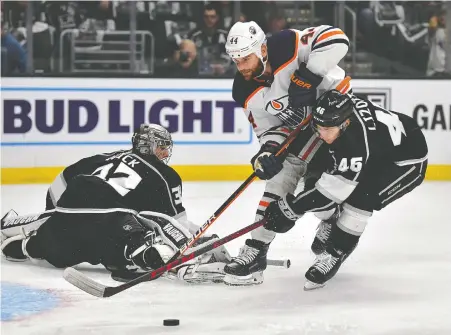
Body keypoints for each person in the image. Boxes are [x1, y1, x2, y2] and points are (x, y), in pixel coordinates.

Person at [1, 124, 230, 282]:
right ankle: (137, 257)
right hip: (108, 225)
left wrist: (56, 215)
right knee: (141, 241)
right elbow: (170, 222)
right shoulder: (165, 175)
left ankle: (18, 240)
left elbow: (59, 184)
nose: (165, 152)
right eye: (161, 146)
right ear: (148, 146)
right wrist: (201, 244)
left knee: (50, 248)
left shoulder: (102, 157)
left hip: (65, 217)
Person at [221, 21, 352, 286]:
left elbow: (337, 38)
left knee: (314, 181)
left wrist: (310, 76)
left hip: (340, 117)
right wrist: (268, 152)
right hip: (304, 129)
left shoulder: (286, 44)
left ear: (262, 50)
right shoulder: (244, 90)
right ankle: (258, 249)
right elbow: (268, 129)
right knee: (282, 172)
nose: (242, 67)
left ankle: (262, 246)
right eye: (236, 61)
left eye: (246, 58)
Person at [262, 90, 428, 290]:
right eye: (318, 126)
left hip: (404, 160)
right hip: (378, 147)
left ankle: (336, 252)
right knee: (315, 175)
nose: (320, 134)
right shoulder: (335, 116)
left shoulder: (355, 142)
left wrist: (289, 208)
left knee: (361, 198)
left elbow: (329, 194)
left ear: (344, 124)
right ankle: (333, 221)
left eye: (327, 129)